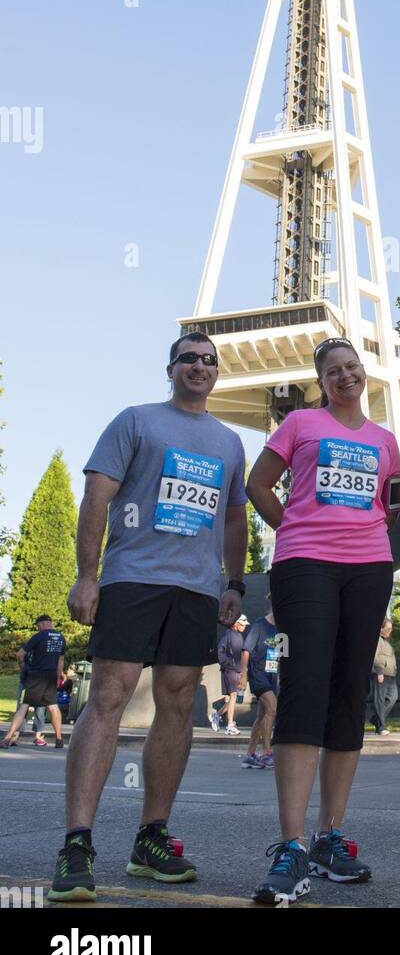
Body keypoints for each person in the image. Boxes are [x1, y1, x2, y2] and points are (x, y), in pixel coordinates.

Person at [46, 332, 248, 903]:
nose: (200, 367)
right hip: (133, 579)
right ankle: (77, 842)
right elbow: (97, 497)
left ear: (216, 373)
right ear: (170, 367)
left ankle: (150, 839)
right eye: (190, 358)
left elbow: (234, 521)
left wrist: (232, 582)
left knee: (180, 701)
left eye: (210, 361)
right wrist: (88, 575)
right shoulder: (135, 420)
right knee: (109, 696)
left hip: (195, 591)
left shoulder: (230, 443)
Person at [246, 337, 400, 905]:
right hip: (304, 567)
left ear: (364, 375)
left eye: (352, 367)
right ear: (322, 380)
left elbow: (390, 505)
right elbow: (256, 484)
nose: (345, 376)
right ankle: (289, 845)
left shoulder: (386, 441)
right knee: (304, 689)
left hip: (368, 569)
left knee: (347, 695)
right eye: (333, 370)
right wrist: (293, 527)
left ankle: (328, 837)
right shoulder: (300, 424)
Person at [1, 616, 66, 750]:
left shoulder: (39, 636)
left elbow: (20, 654)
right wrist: (58, 676)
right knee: (53, 707)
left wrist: (23, 666)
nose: (37, 628)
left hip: (36, 675)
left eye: (38, 625)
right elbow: (60, 661)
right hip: (51, 676)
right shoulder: (61, 638)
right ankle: (59, 739)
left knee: (24, 706)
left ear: (42, 624)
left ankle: (7, 738)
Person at [240, 607, 280, 768]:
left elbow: (283, 656)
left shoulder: (282, 630)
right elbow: (246, 651)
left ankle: (250, 755)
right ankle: (267, 753)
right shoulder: (259, 625)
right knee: (272, 709)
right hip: (258, 674)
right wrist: (243, 675)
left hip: (272, 677)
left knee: (262, 715)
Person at [211, 615, 248, 735]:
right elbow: (220, 651)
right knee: (233, 695)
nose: (244, 626)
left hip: (238, 671)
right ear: (236, 623)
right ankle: (230, 725)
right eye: (242, 624)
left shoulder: (239, 636)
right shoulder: (228, 634)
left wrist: (243, 670)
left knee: (235, 697)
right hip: (230, 671)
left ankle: (216, 715)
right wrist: (229, 663)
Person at [369, 618, 398, 736]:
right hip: (381, 674)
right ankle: (381, 727)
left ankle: (376, 719)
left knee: (393, 698)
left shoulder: (387, 642)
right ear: (381, 629)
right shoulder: (376, 640)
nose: (390, 631)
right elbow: (374, 657)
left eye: (391, 629)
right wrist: (379, 672)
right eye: (388, 628)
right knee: (379, 700)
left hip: (391, 675)